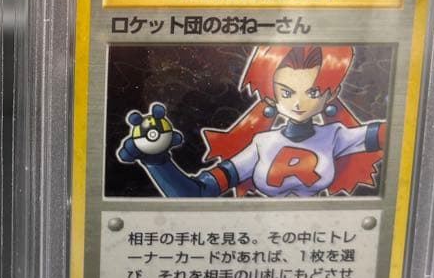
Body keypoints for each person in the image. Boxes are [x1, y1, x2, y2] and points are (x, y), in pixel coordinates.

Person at [117, 45, 385, 197]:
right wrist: (157, 161)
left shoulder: (335, 135)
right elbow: (197, 193)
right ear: (270, 94)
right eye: (287, 93)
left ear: (332, 94)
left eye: (313, 92)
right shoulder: (262, 144)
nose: (298, 103)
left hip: (315, 237)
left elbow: (394, 134)